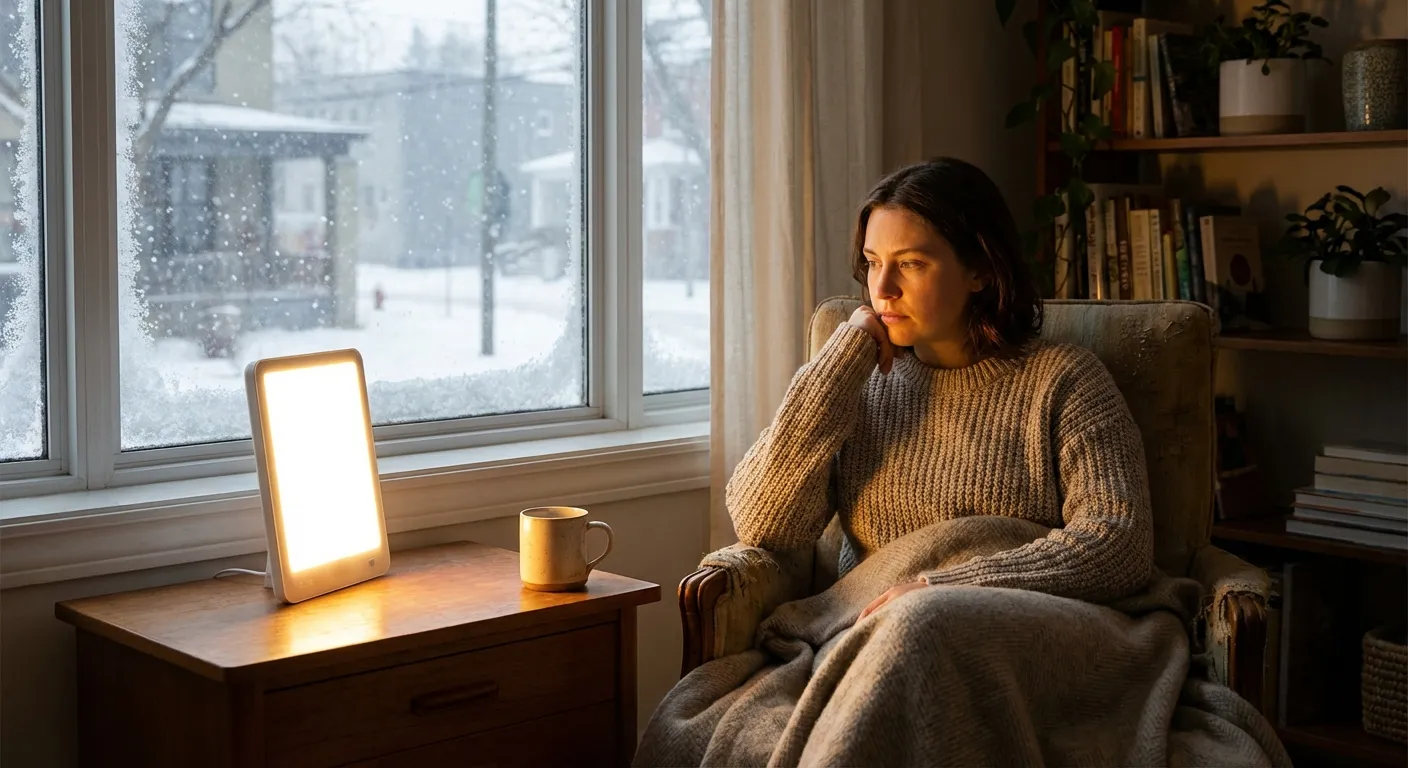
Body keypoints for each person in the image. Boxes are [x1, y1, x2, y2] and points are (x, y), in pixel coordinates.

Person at [727, 156, 1156, 616]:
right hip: (872, 628)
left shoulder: (1066, 380)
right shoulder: (856, 383)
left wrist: (949, 588)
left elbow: (1120, 543)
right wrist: (841, 362)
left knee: (920, 622)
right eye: (873, 263)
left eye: (911, 263)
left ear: (981, 271)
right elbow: (764, 523)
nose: (883, 288)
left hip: (1014, 625)